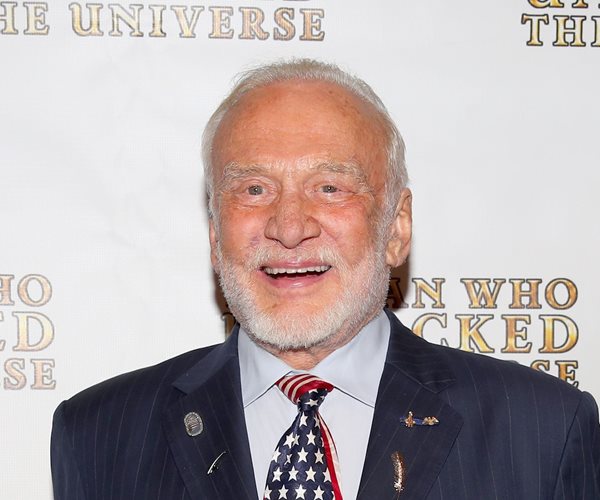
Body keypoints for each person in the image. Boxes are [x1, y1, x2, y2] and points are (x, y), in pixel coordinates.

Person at [51, 59, 600, 500]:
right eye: (255, 190)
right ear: (216, 234)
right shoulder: (100, 435)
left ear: (396, 227)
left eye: (330, 188)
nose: (289, 227)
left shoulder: (542, 431)